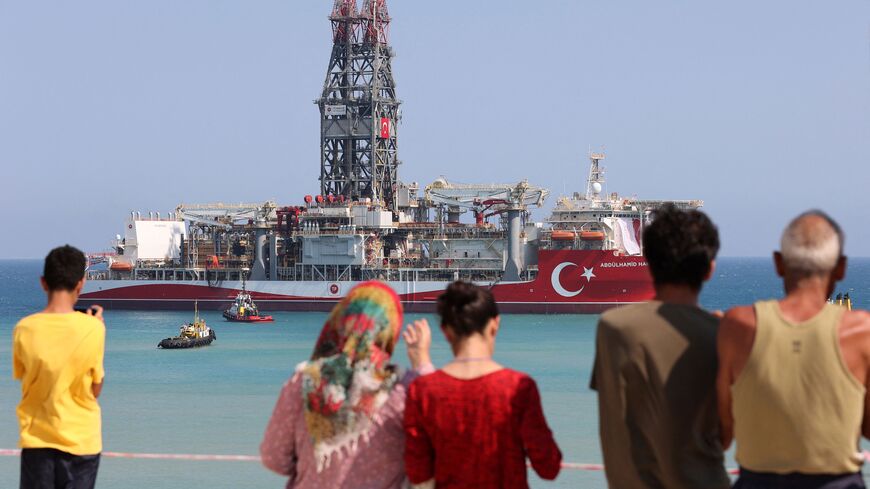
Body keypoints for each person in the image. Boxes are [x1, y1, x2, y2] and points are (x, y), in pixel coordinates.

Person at [717, 210, 870, 488]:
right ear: (841, 268)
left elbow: (723, 432)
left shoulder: (737, 327)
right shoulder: (862, 332)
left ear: (778, 263)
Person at [590, 204, 729, 488]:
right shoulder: (721, 336)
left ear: (649, 262)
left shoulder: (613, 329)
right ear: (709, 270)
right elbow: (726, 435)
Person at [260, 281, 434, 488]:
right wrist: (422, 363)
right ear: (389, 331)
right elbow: (437, 448)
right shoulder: (404, 392)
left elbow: (274, 458)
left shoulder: (303, 381)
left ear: (339, 320)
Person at [404, 281, 562, 489]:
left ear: (445, 331)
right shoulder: (519, 388)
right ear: (495, 325)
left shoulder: (422, 391)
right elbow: (549, 467)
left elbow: (418, 472)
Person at [13, 245, 106, 489]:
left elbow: (26, 380)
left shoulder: (24, 329)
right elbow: (95, 390)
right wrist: (93, 327)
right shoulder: (94, 329)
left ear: (43, 282)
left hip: (37, 441)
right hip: (82, 441)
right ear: (81, 284)